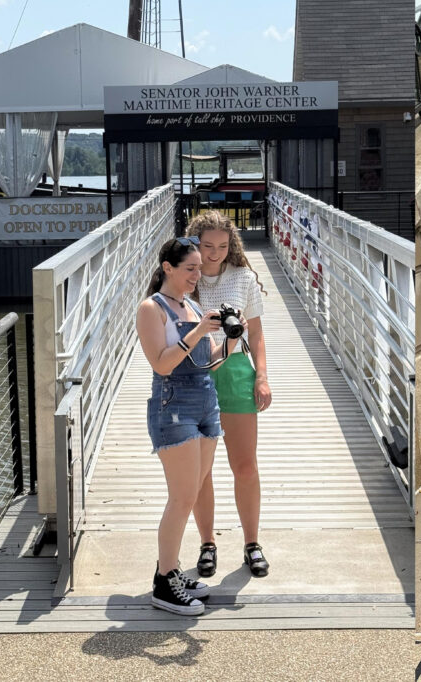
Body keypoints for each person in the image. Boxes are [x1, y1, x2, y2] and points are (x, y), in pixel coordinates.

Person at [135, 236, 238, 616]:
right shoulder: (152, 309)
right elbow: (162, 364)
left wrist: (228, 343)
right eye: (190, 268)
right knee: (180, 498)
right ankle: (165, 582)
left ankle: (173, 570)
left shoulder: (192, 305)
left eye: (199, 268)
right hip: (172, 404)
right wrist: (197, 330)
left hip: (205, 401)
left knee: (191, 493)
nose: (198, 274)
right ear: (168, 268)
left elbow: (206, 362)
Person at [185, 212, 273, 579]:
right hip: (195, 372)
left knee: (245, 465)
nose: (215, 254)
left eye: (222, 246)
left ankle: (252, 543)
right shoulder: (182, 279)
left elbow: (256, 333)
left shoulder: (243, 278)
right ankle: (207, 543)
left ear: (231, 244)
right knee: (200, 470)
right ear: (194, 244)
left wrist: (262, 378)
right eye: (207, 247)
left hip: (236, 372)